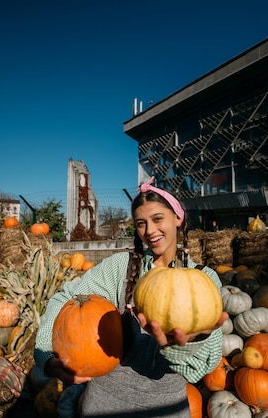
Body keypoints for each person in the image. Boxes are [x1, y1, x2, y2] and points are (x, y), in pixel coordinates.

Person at [34, 177, 228, 417]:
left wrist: (185, 347)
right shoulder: (121, 267)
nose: (150, 231)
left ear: (178, 218)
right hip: (103, 404)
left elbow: (201, 368)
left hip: (167, 408)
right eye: (141, 223)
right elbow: (67, 299)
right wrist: (46, 354)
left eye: (158, 219)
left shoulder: (205, 279)